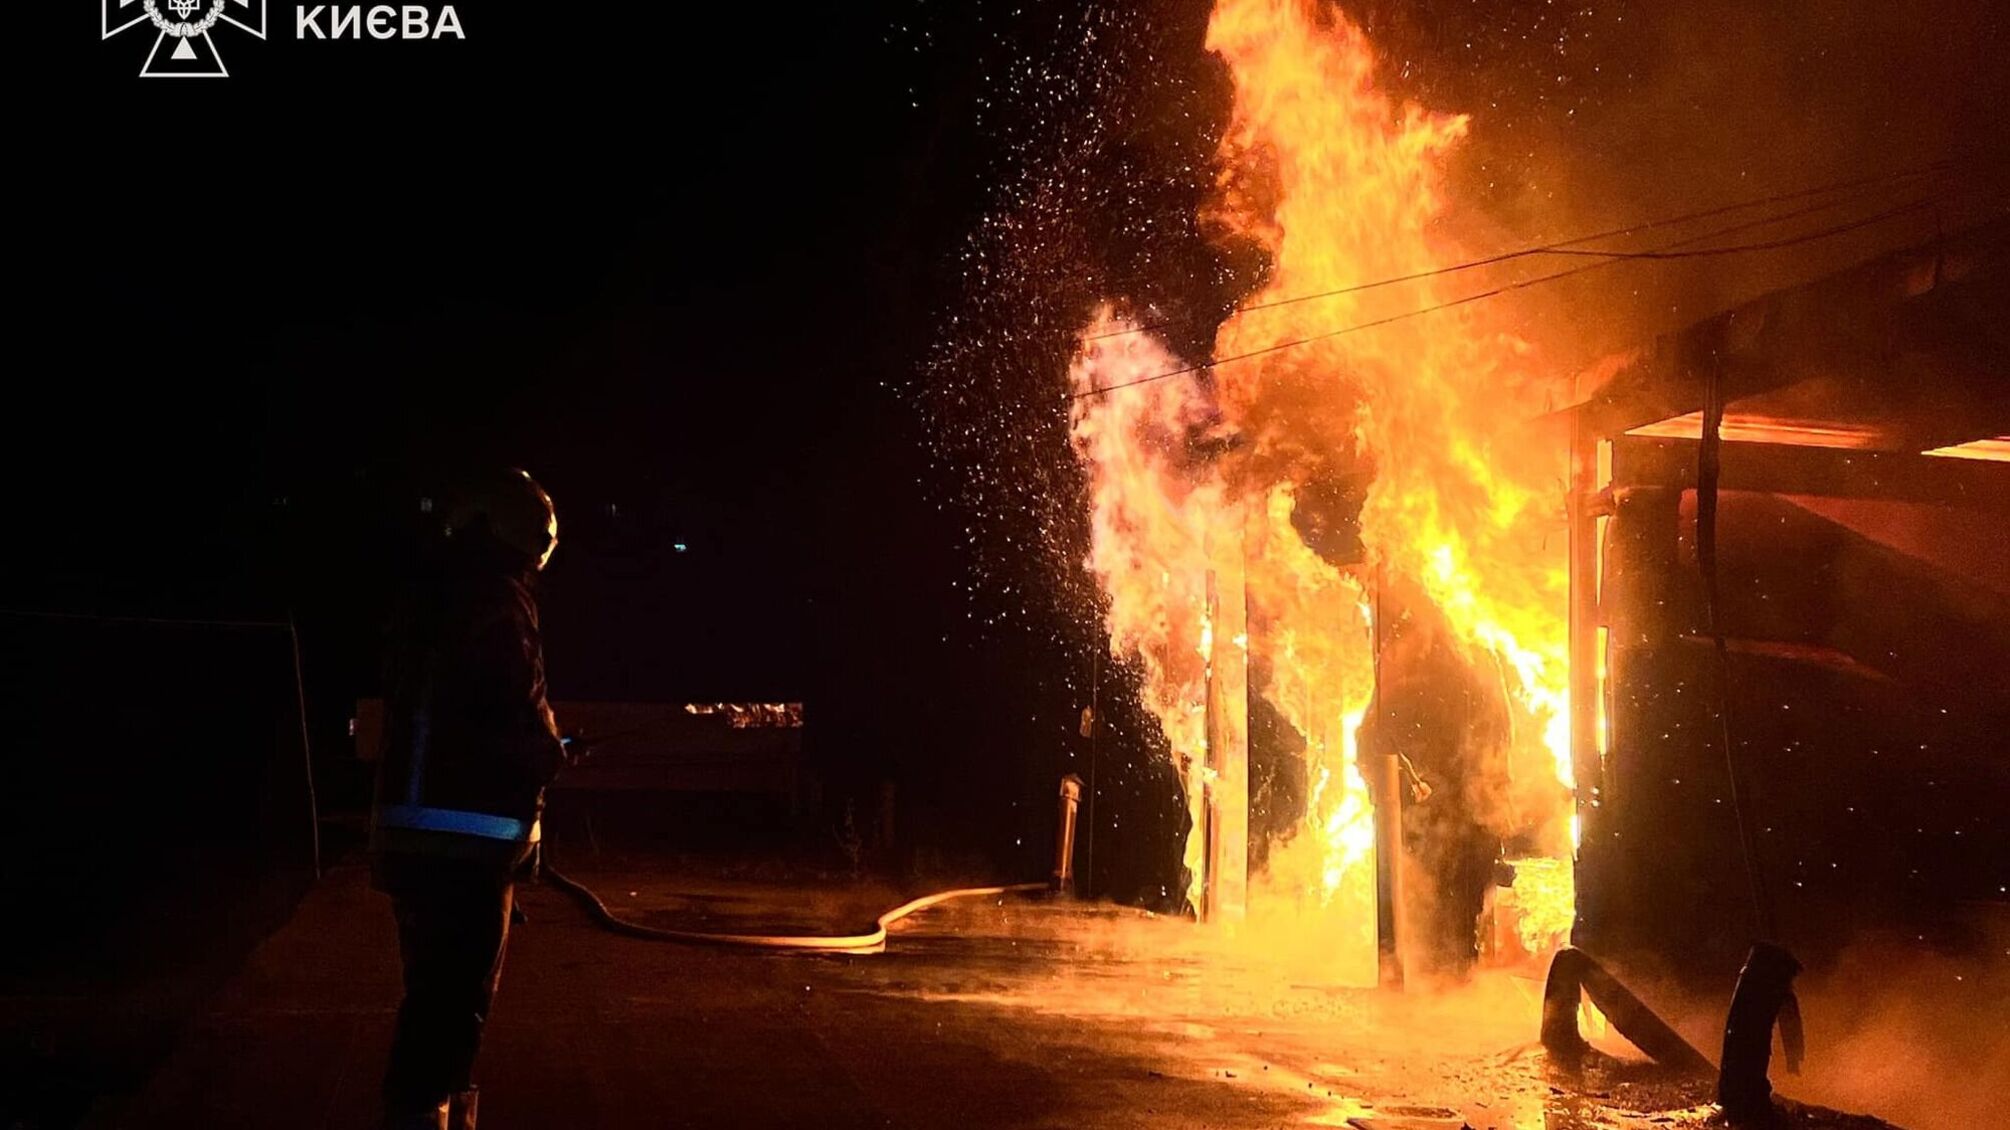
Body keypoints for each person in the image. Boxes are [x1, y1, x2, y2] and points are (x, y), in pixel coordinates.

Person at [371, 468, 568, 1130]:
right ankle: (426, 1115)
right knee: (452, 1004)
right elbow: (510, 704)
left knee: (433, 996)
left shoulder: (434, 595)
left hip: (417, 833)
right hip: (465, 841)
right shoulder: (497, 601)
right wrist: (548, 753)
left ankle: (433, 1108)